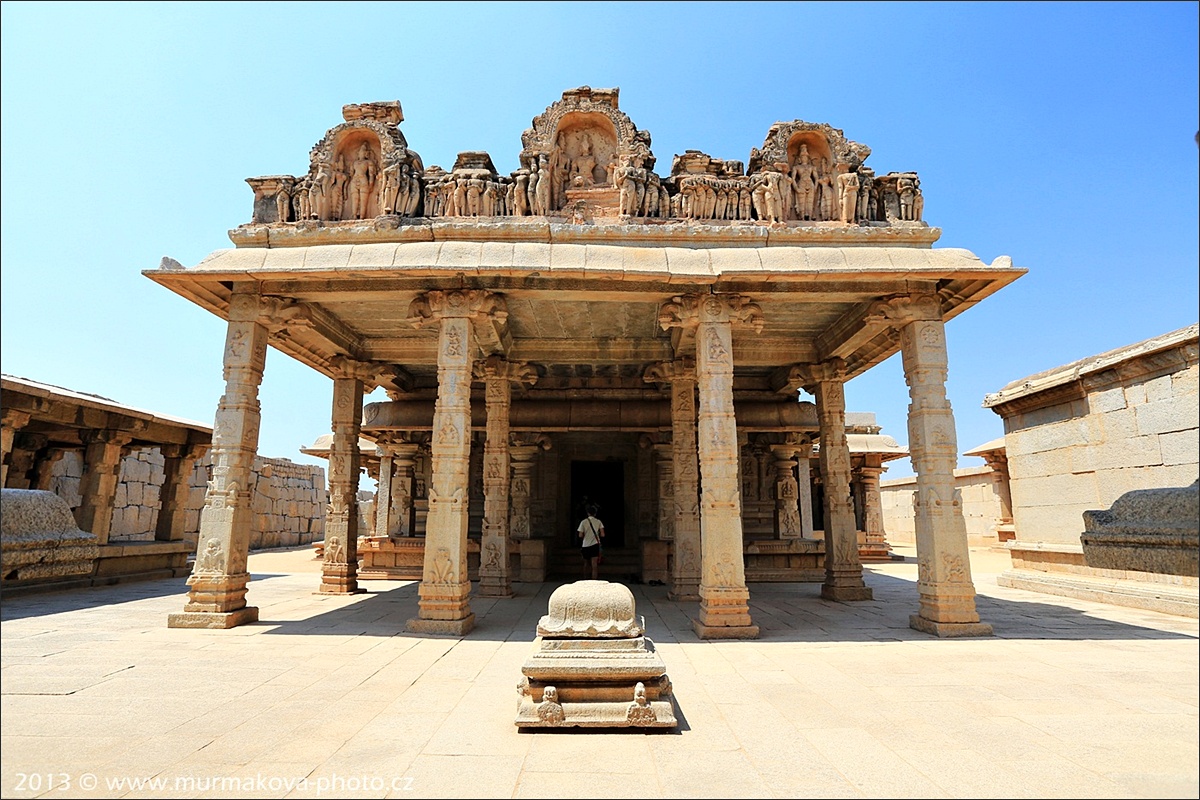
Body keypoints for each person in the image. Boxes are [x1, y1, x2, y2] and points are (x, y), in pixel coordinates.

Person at [577, 505, 605, 579]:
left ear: (588, 513)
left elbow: (580, 535)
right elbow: (602, 534)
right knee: (594, 564)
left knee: (586, 563)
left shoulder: (583, 522)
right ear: (595, 513)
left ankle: (585, 578)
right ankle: (594, 580)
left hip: (585, 545)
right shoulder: (598, 522)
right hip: (595, 544)